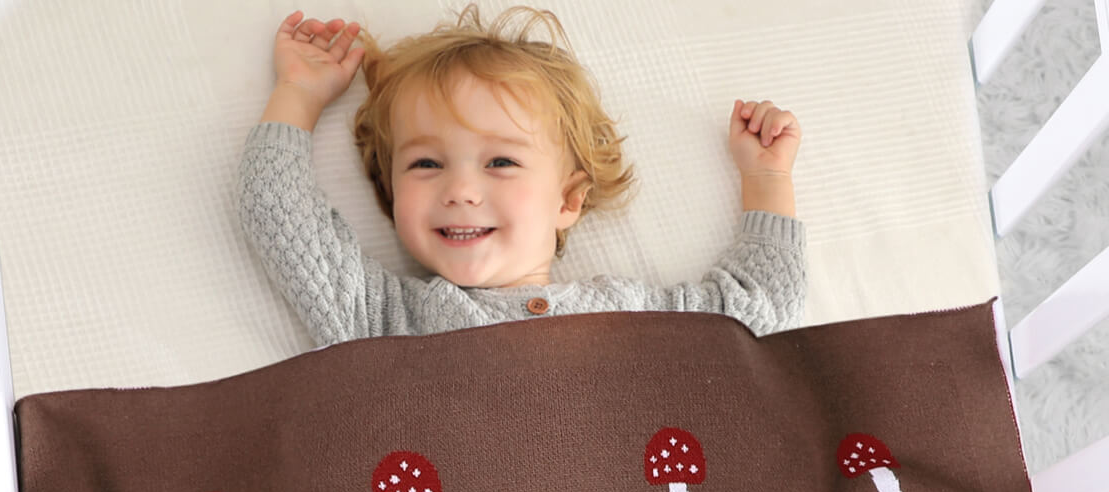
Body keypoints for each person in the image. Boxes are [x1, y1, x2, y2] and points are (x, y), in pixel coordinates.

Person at [238, 5, 805, 347]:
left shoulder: (628, 314)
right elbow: (281, 215)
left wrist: (766, 179)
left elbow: (756, 312)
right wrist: (298, 95)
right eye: (426, 164)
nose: (460, 191)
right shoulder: (384, 319)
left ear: (568, 201)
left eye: (501, 162)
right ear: (391, 195)